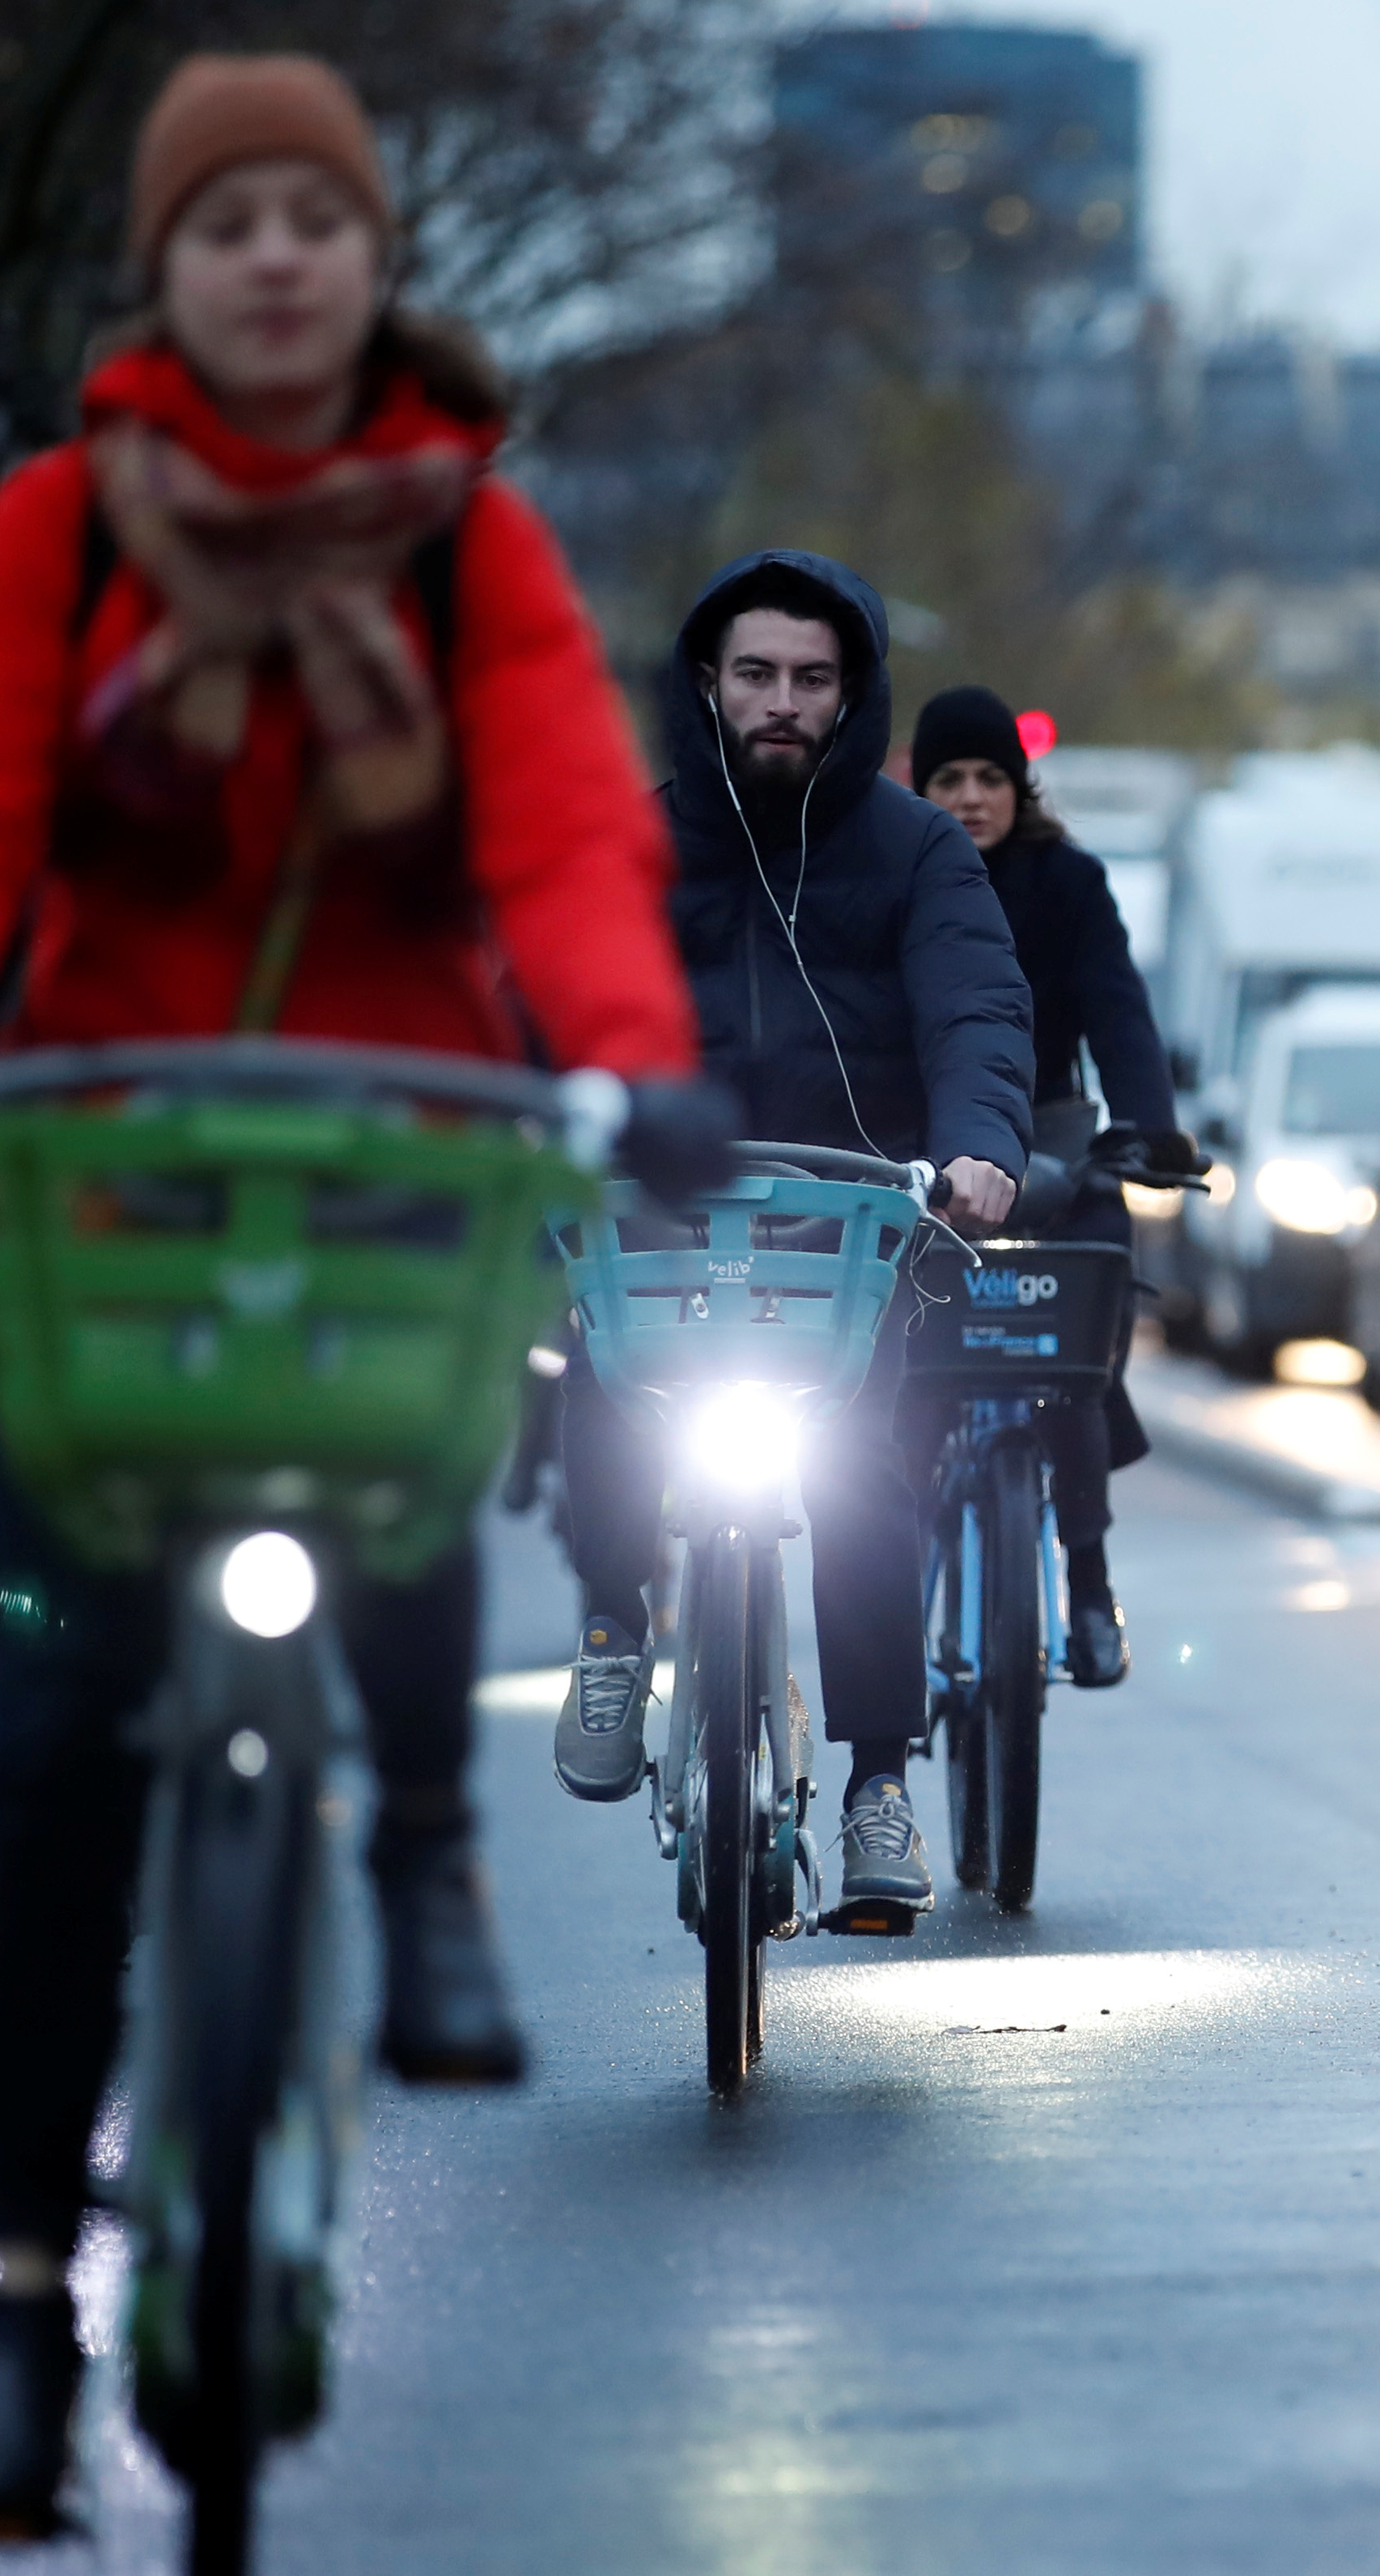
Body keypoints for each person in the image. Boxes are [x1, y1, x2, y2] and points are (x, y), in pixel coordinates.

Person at [0, 55, 718, 2540]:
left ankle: (425, 1855)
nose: (282, 256)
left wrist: (633, 1060)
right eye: (235, 224)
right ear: (169, 271)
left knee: (412, 1453)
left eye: (324, 215)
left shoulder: (472, 550)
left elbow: (554, 812)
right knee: (60, 1776)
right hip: (110, 1145)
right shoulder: (53, 529)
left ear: (374, 257)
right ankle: (16, 2313)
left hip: (396, 1128)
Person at [544, 553, 1034, 1933]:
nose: (780, 702)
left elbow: (976, 1012)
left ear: (853, 694)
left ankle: (879, 1781)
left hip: (853, 1229)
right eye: (754, 673)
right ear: (707, 682)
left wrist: (984, 1146)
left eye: (811, 680)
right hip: (660, 1218)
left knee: (874, 1481)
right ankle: (609, 1634)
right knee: (595, 1381)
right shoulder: (626, 845)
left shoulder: (920, 852)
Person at [908, 686, 1191, 1684]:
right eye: (951, 778)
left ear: (1019, 787)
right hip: (923, 1156)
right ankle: (891, 1585)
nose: (974, 796)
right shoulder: (893, 868)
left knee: (1081, 1338)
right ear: (920, 784)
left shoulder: (1068, 881)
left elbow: (1118, 1008)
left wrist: (1148, 1129)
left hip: (1059, 1148)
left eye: (992, 777)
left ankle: (1086, 1579)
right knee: (899, 1362)